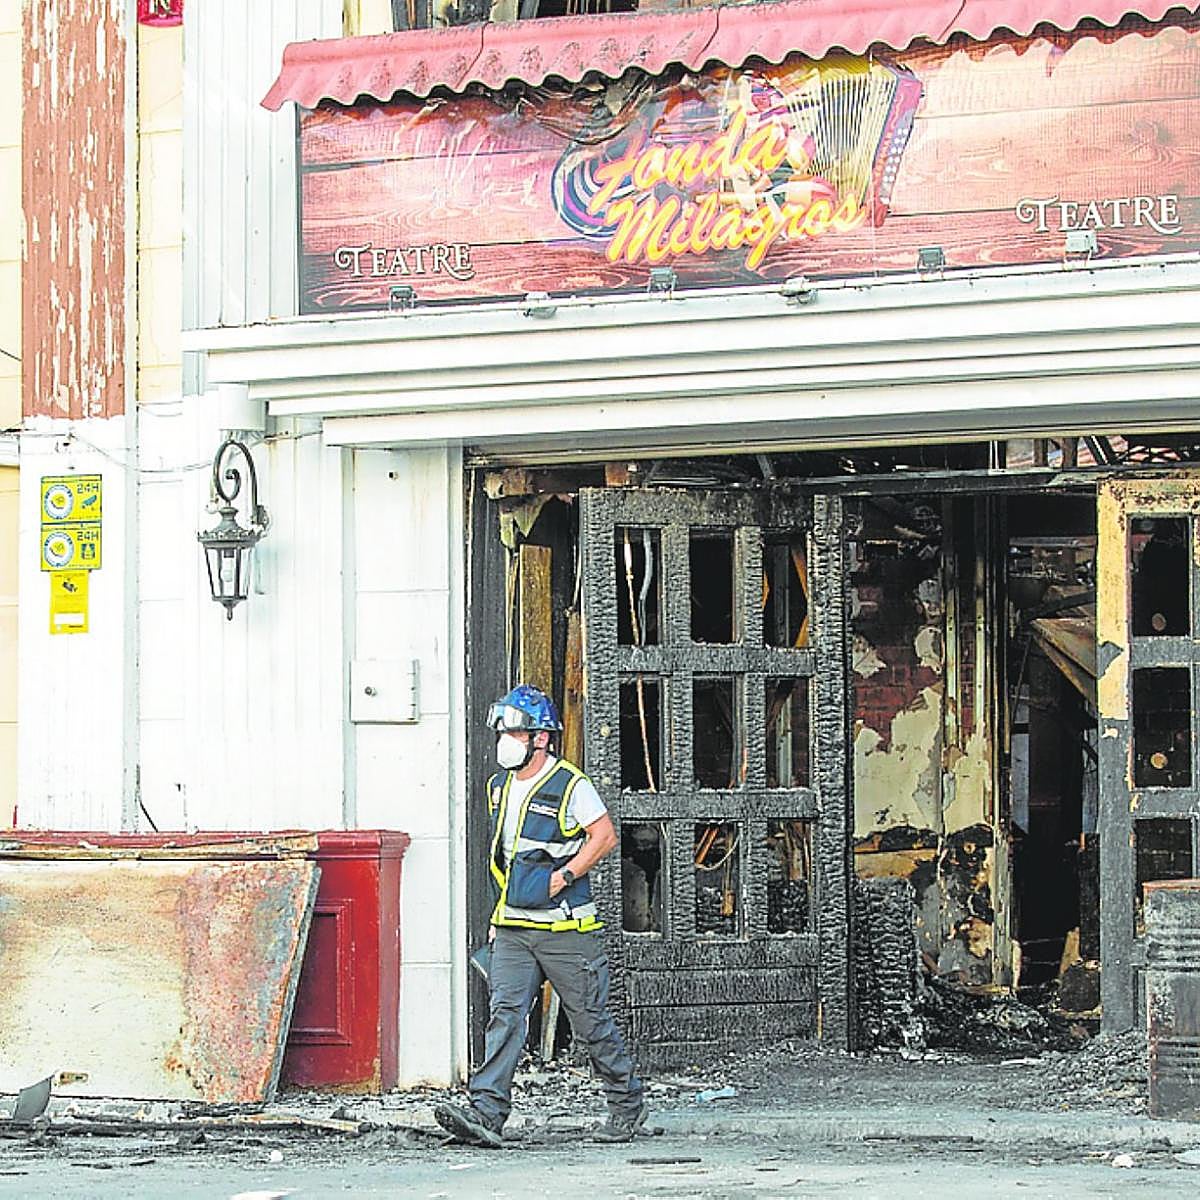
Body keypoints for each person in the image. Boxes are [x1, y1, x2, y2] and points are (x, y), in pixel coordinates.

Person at [434, 683, 647, 1147]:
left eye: (513, 732)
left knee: (590, 1021)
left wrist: (564, 877)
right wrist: (497, 917)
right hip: (514, 927)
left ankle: (626, 1104)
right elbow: (506, 858)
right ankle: (487, 1113)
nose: (504, 740)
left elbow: (604, 836)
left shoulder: (571, 784)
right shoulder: (500, 787)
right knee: (505, 1015)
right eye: (502, 731)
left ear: (540, 738)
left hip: (567, 930)